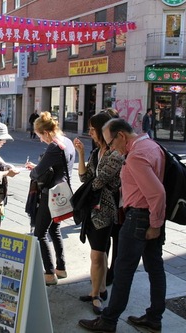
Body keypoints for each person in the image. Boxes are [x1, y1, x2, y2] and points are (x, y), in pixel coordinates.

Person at [79, 117, 166, 333]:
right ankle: (154, 317)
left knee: (123, 270)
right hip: (148, 216)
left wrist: (154, 224)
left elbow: (157, 193)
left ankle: (108, 321)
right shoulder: (152, 145)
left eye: (111, 142)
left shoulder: (136, 155)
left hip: (139, 217)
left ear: (121, 136)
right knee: (155, 267)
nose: (111, 147)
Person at [73, 111, 124, 315]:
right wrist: (81, 154)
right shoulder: (96, 153)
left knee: (96, 255)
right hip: (92, 212)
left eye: (93, 129)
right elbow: (84, 178)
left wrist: (85, 191)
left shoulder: (115, 155)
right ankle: (100, 290)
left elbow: (98, 181)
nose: (90, 133)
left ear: (104, 130)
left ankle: (95, 295)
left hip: (105, 212)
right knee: (99, 254)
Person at [25, 111, 75, 286]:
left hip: (50, 194)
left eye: (40, 136)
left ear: (46, 133)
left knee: (40, 234)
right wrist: (38, 166)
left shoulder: (54, 146)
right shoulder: (67, 142)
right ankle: (61, 268)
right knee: (54, 229)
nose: (40, 140)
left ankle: (49, 273)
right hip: (63, 191)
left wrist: (33, 169)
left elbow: (37, 172)